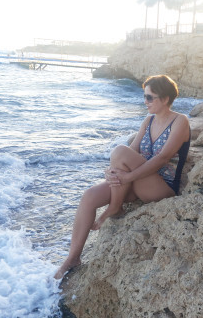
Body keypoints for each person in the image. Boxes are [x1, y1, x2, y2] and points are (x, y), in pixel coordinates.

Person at [54, 74, 191, 280]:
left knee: (119, 150)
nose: (145, 101)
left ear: (165, 99)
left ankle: (115, 207)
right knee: (89, 196)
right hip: (138, 182)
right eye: (144, 96)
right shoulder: (148, 121)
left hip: (162, 187)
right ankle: (73, 257)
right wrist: (112, 171)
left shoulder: (180, 121)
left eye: (149, 97)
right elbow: (132, 150)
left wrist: (127, 177)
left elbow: (163, 158)